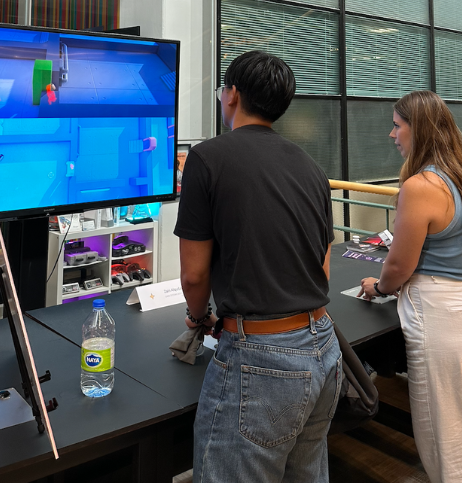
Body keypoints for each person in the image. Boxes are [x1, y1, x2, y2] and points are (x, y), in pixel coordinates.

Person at [174, 51, 341, 483]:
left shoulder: (206, 158)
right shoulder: (311, 168)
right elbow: (321, 269)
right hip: (324, 348)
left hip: (262, 360)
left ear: (232, 95)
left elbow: (194, 275)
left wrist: (198, 318)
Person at [358, 90, 462, 483]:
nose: (392, 134)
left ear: (418, 130)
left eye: (397, 125)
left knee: (443, 433)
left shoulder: (421, 186)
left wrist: (380, 286)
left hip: (436, 314)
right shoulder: (457, 175)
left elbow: (399, 265)